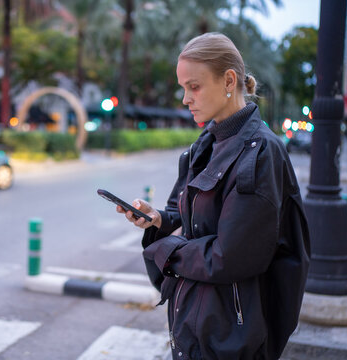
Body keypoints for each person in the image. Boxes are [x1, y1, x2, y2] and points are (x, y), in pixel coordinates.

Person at [117, 33, 310, 360]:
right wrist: (160, 220)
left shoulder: (261, 153)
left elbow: (230, 255)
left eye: (194, 87)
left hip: (233, 335)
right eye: (183, 88)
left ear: (229, 81)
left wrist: (165, 249)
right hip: (195, 321)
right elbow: (196, 218)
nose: (185, 99)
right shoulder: (206, 142)